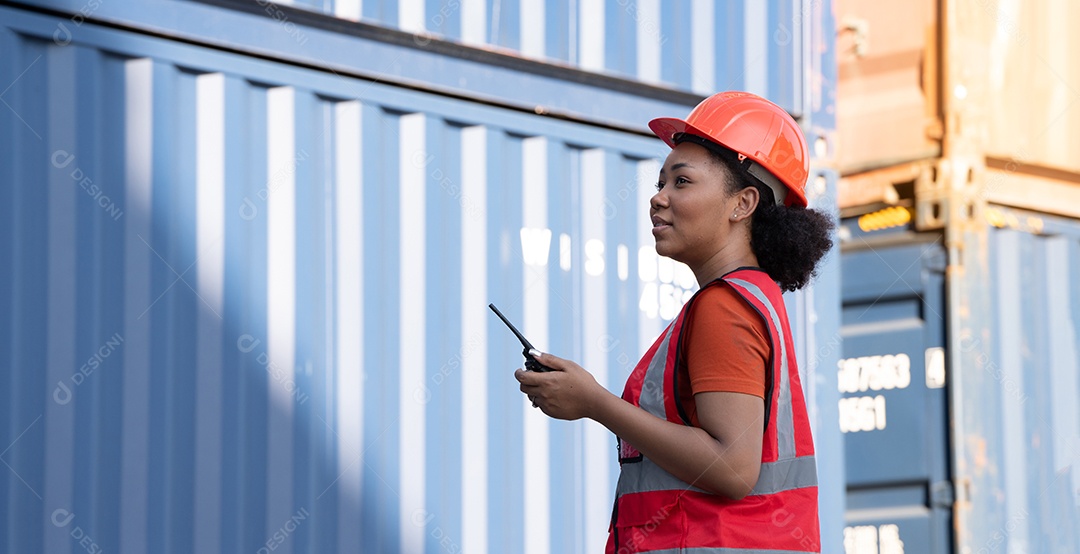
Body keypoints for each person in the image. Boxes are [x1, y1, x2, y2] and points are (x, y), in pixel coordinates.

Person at [514, 91, 833, 553]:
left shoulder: (724, 306)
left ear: (742, 203)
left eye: (681, 182)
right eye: (661, 182)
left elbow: (732, 468)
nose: (657, 198)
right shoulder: (753, 296)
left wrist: (594, 402)